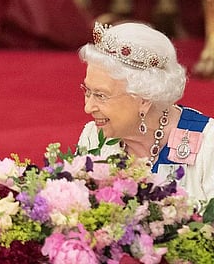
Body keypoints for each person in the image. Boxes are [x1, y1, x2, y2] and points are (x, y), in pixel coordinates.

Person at [76, 20, 214, 202]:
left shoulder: (208, 144)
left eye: (101, 95)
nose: (88, 107)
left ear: (144, 99)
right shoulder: (93, 137)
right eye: (88, 91)